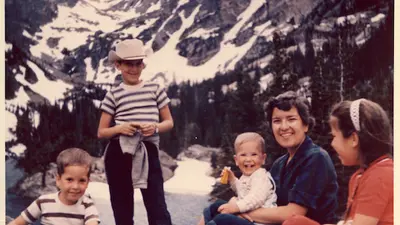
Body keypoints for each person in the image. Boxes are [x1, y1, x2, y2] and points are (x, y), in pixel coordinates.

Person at [202, 91, 339, 225]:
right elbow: (261, 197)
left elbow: (293, 214)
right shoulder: (279, 164)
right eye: (277, 121)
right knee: (215, 208)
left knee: (222, 220)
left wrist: (239, 210)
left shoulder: (315, 158)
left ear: (305, 125)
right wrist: (235, 204)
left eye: (291, 119)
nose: (284, 127)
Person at [97, 38, 174, 225]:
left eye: (138, 64)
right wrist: (120, 128)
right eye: (128, 64)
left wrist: (155, 126)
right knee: (122, 208)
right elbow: (101, 132)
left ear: (143, 65)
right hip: (119, 151)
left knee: (157, 206)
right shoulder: (113, 94)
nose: (134, 69)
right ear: (118, 65)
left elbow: (169, 122)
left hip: (148, 150)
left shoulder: (155, 88)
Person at [283, 98, 393, 225]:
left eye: (334, 136)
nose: (332, 144)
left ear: (353, 139)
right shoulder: (362, 175)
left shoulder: (379, 177)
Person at [199, 132, 278, 225]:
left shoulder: (261, 176)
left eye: (254, 154)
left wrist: (235, 207)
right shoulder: (247, 176)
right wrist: (232, 179)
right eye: (243, 155)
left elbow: (255, 199)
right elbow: (241, 191)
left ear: (263, 158)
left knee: (223, 219)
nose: (248, 159)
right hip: (248, 218)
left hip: (260, 222)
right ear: (236, 160)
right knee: (215, 206)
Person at [8, 148, 100, 225]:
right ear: (58, 180)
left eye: (82, 181)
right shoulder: (43, 202)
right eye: (69, 180)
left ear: (88, 182)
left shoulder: (87, 205)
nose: (75, 186)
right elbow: (17, 223)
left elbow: (92, 222)